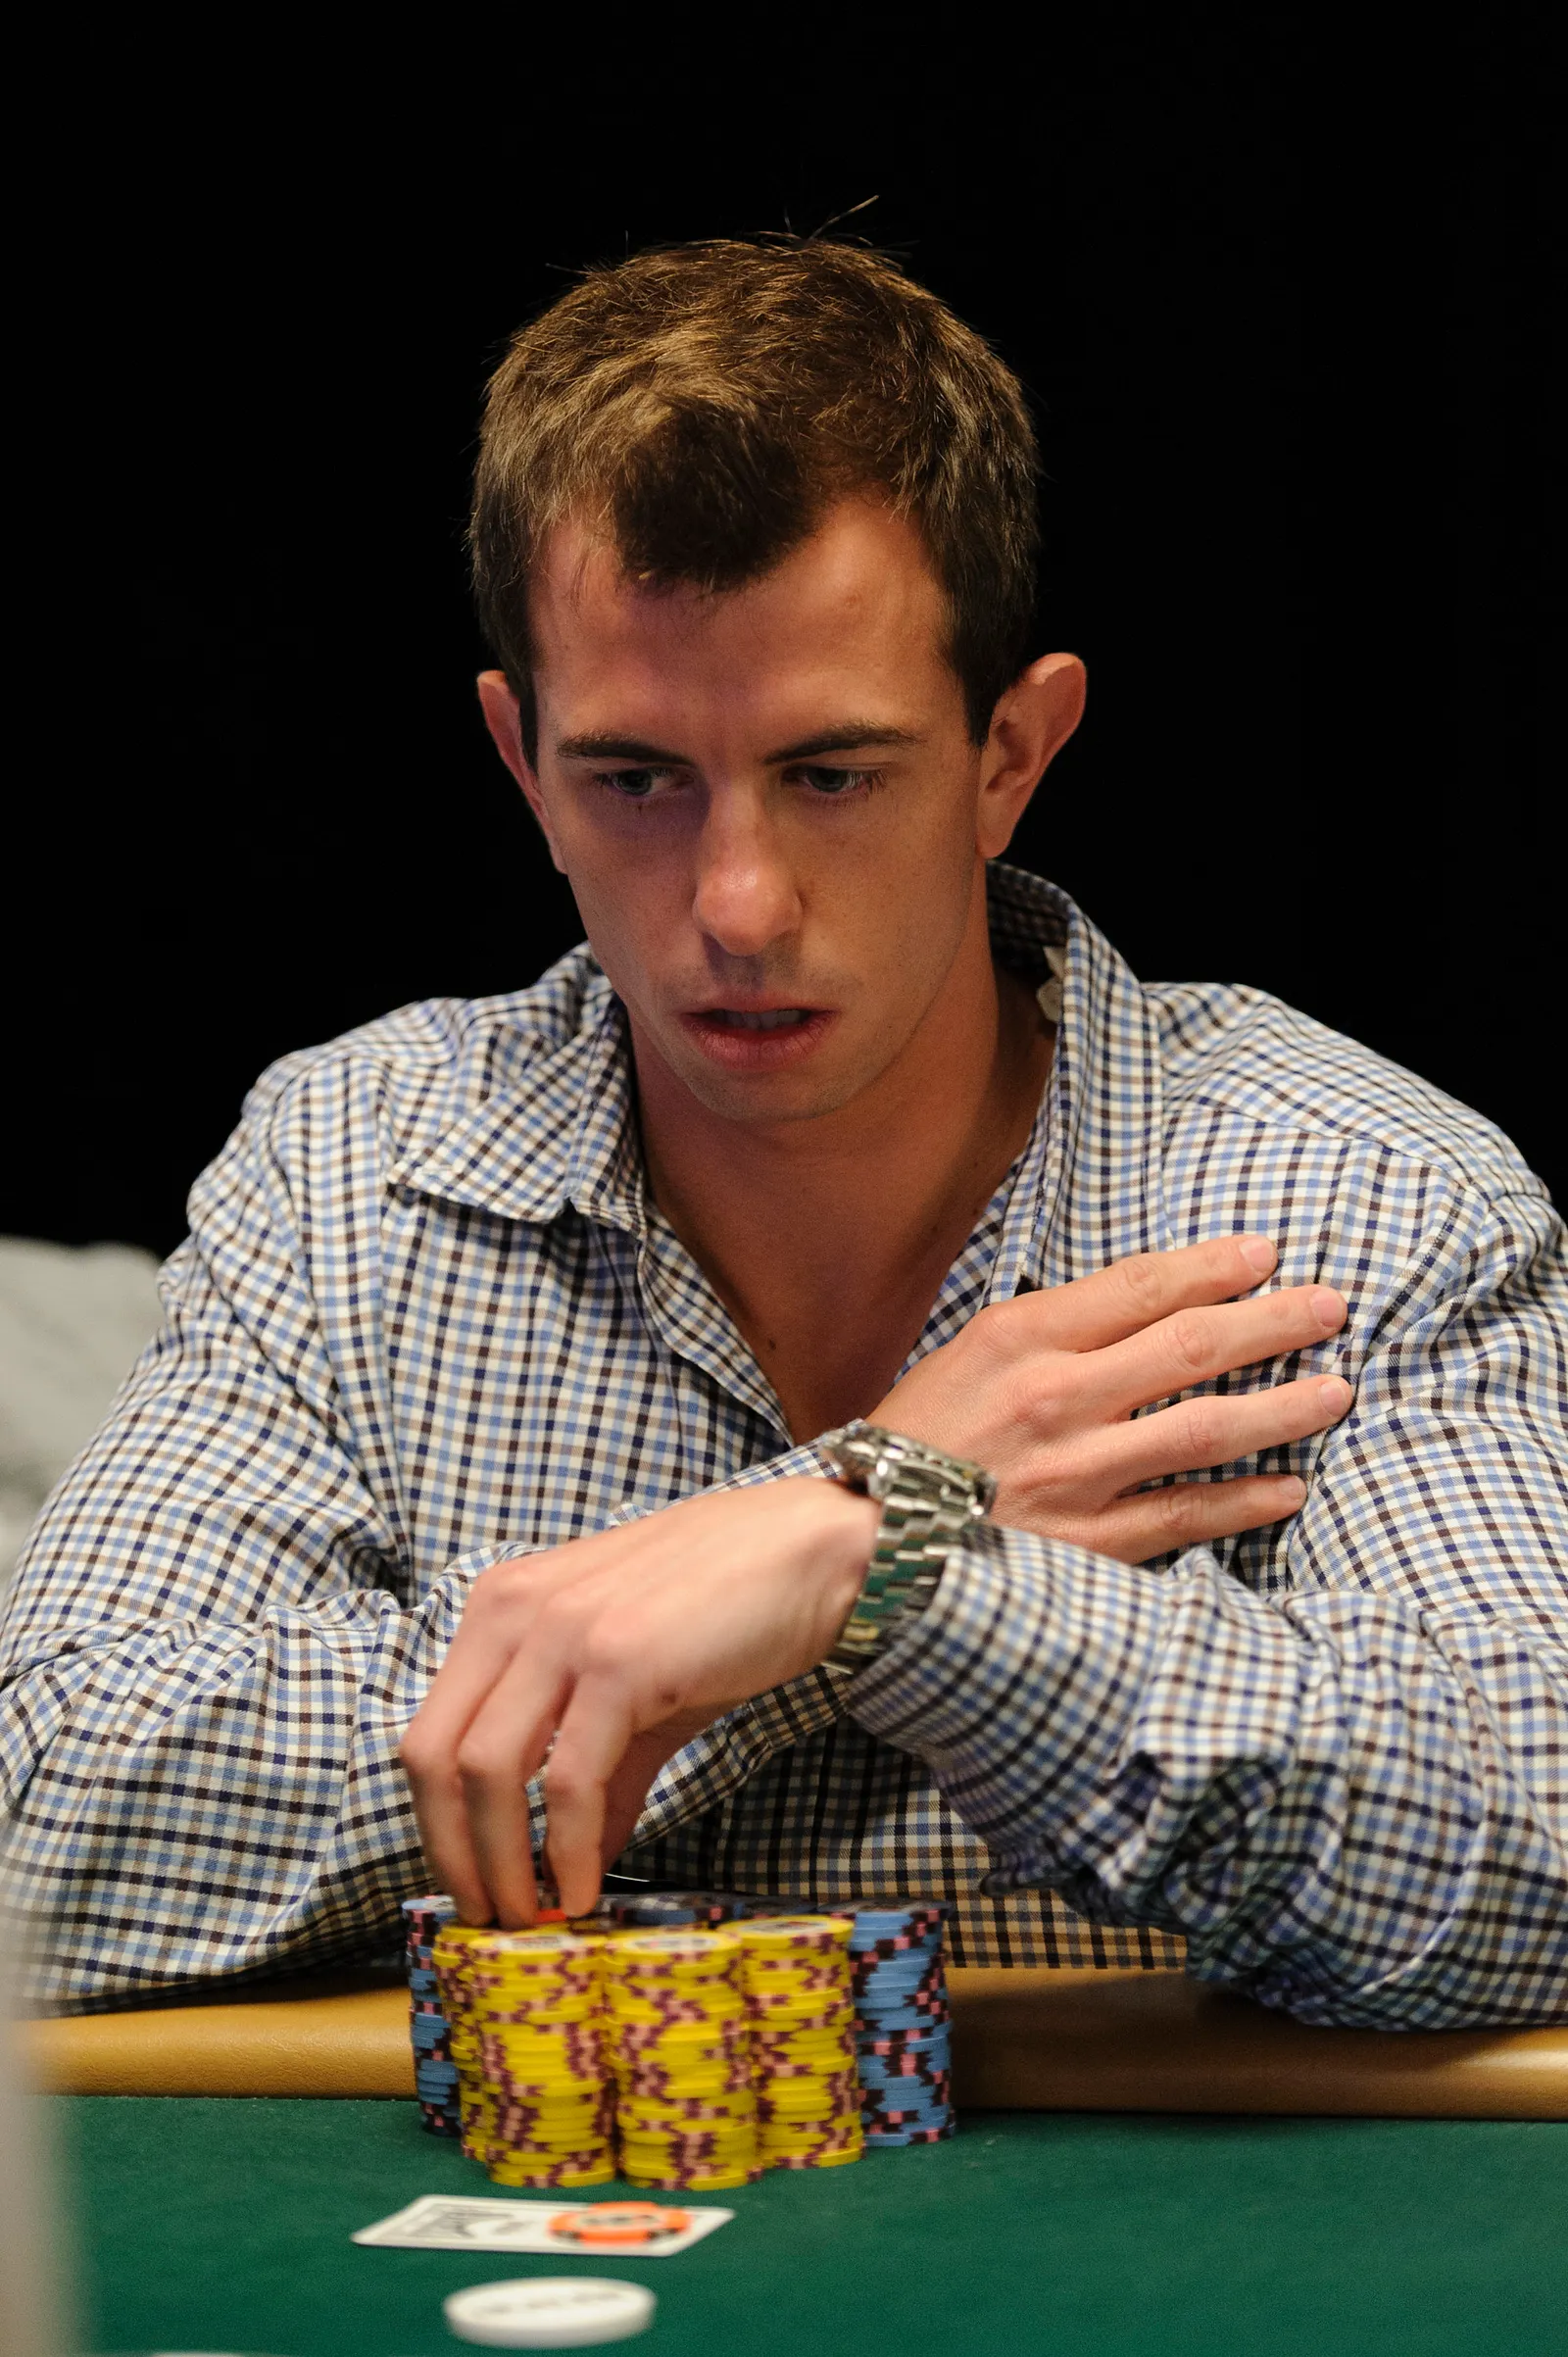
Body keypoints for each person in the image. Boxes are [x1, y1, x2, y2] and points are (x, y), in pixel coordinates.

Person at [2, 241, 1563, 2028]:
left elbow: (1540, 1851)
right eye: (635, 780)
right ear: (520, 764)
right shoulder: (347, 1164)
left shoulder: (1359, 1193)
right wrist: (858, 1518)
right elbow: (38, 1825)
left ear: (1010, 754)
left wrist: (877, 1574)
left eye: (832, 775)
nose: (737, 905)